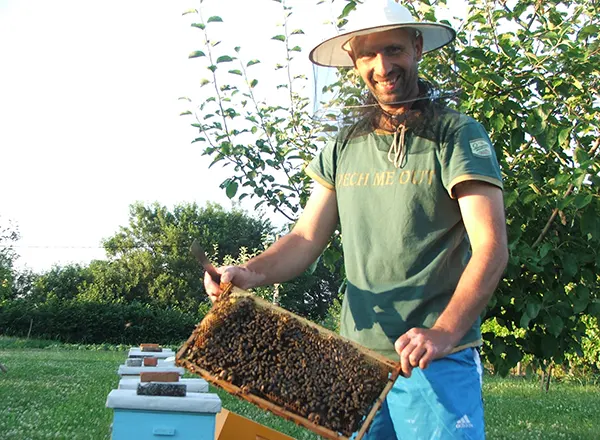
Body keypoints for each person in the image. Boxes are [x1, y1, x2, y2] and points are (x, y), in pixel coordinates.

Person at [205, 0, 508, 438]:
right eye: (368, 54)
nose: (383, 66)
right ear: (353, 59)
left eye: (394, 49)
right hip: (356, 362)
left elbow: (491, 248)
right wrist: (247, 273)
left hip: (434, 359)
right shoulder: (344, 146)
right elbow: (306, 237)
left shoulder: (457, 135)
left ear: (417, 46)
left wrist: (443, 331)